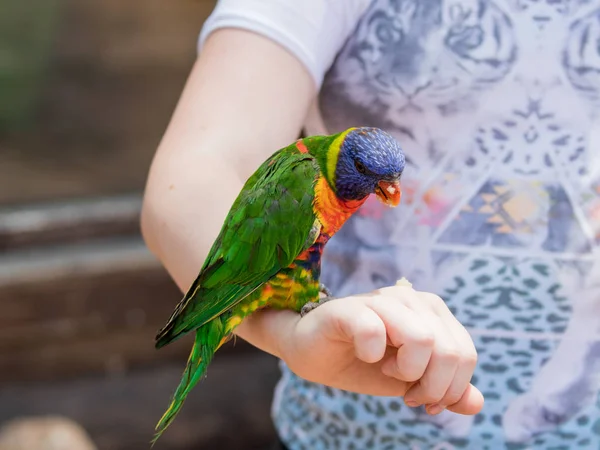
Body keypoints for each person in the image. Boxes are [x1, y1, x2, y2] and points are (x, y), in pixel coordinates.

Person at [141, 1, 600, 449]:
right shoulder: (306, 185)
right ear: (344, 158)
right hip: (350, 427)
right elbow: (191, 176)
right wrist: (288, 337)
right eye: (372, 176)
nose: (389, 191)